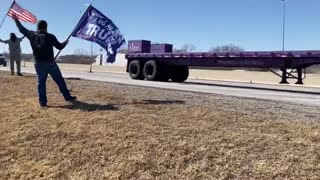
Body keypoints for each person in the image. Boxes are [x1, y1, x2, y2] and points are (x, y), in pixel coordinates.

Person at [11, 13, 76, 107]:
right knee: (59, 80)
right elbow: (59, 47)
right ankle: (67, 96)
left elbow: (21, 29)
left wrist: (16, 19)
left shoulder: (31, 34)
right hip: (50, 63)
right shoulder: (50, 36)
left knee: (41, 83)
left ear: (37, 27)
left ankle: (43, 102)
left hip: (38, 63)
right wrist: (65, 42)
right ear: (46, 27)